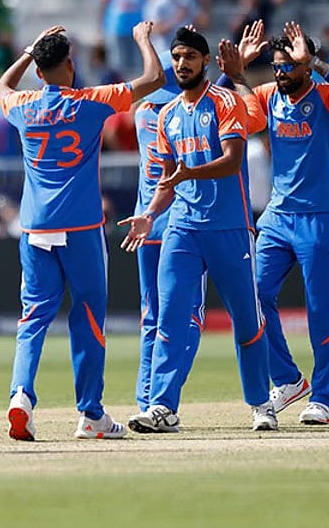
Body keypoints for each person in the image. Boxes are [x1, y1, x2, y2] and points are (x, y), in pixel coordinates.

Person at [0, 21, 165, 441]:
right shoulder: (91, 102)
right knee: (88, 318)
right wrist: (143, 39)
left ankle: (20, 396)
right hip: (82, 229)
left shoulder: (23, 105)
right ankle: (90, 414)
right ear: (70, 65)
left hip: (34, 227)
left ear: (39, 69)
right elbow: (154, 80)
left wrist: (28, 52)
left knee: (33, 317)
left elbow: (0, 88)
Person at [121, 25, 274, 433]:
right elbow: (169, 180)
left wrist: (189, 172)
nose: (181, 64)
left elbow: (231, 160)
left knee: (246, 320)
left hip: (229, 229)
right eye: (176, 57)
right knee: (169, 318)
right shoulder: (167, 115)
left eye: (189, 57)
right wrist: (150, 214)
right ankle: (162, 406)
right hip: (182, 230)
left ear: (205, 61)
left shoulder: (224, 101)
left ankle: (261, 404)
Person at [216, 20, 329, 425]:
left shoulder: (325, 96)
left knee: (321, 312)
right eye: (277, 65)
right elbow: (224, 110)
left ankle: (322, 398)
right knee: (252, 297)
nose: (280, 72)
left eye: (288, 66)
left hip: (321, 216)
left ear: (302, 64)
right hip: (278, 217)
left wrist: (314, 62)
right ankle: (287, 379)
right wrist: (235, 74)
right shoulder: (267, 95)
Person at [130, 54, 206, 416]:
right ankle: (163, 395)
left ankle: (146, 398)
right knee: (189, 317)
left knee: (152, 318)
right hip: (181, 225)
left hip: (146, 221)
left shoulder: (142, 113)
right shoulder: (177, 116)